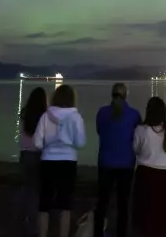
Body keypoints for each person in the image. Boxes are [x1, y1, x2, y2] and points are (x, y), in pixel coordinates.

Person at [35, 84, 86, 237]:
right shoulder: (76, 117)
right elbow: (81, 143)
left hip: (48, 162)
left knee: (44, 203)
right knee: (65, 204)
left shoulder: (45, 116)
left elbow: (37, 142)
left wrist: (47, 147)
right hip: (68, 163)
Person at [94, 83, 141, 237]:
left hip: (105, 162)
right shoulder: (134, 114)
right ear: (126, 95)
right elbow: (138, 136)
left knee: (102, 203)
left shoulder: (102, 112)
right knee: (123, 204)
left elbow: (100, 131)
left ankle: (98, 233)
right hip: (126, 163)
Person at [132, 96, 166, 237]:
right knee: (162, 208)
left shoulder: (141, 130)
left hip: (146, 173)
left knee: (145, 208)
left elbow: (136, 149)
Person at [18, 87, 48, 236]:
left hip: (25, 153)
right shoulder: (44, 116)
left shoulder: (24, 113)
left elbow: (22, 133)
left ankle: (24, 215)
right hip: (38, 154)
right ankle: (34, 217)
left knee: (26, 185)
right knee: (36, 188)